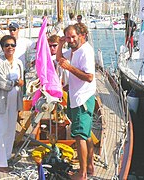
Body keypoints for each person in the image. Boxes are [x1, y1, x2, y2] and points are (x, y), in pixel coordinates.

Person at [56, 25, 96, 180]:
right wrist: (59, 44)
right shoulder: (73, 50)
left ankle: (82, 173)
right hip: (74, 97)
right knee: (85, 134)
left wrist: (70, 68)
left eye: (73, 37)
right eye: (68, 37)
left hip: (83, 99)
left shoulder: (85, 51)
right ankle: (90, 166)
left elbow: (89, 77)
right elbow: (60, 59)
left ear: (81, 35)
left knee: (79, 135)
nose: (70, 40)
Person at [0, 35, 24, 173]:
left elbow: (22, 83)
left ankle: (8, 156)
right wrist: (16, 82)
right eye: (7, 45)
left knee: (10, 130)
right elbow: (2, 83)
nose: (10, 47)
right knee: (0, 131)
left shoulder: (19, 63)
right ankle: (1, 162)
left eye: (12, 45)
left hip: (14, 102)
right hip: (0, 102)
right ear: (2, 48)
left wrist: (20, 84)